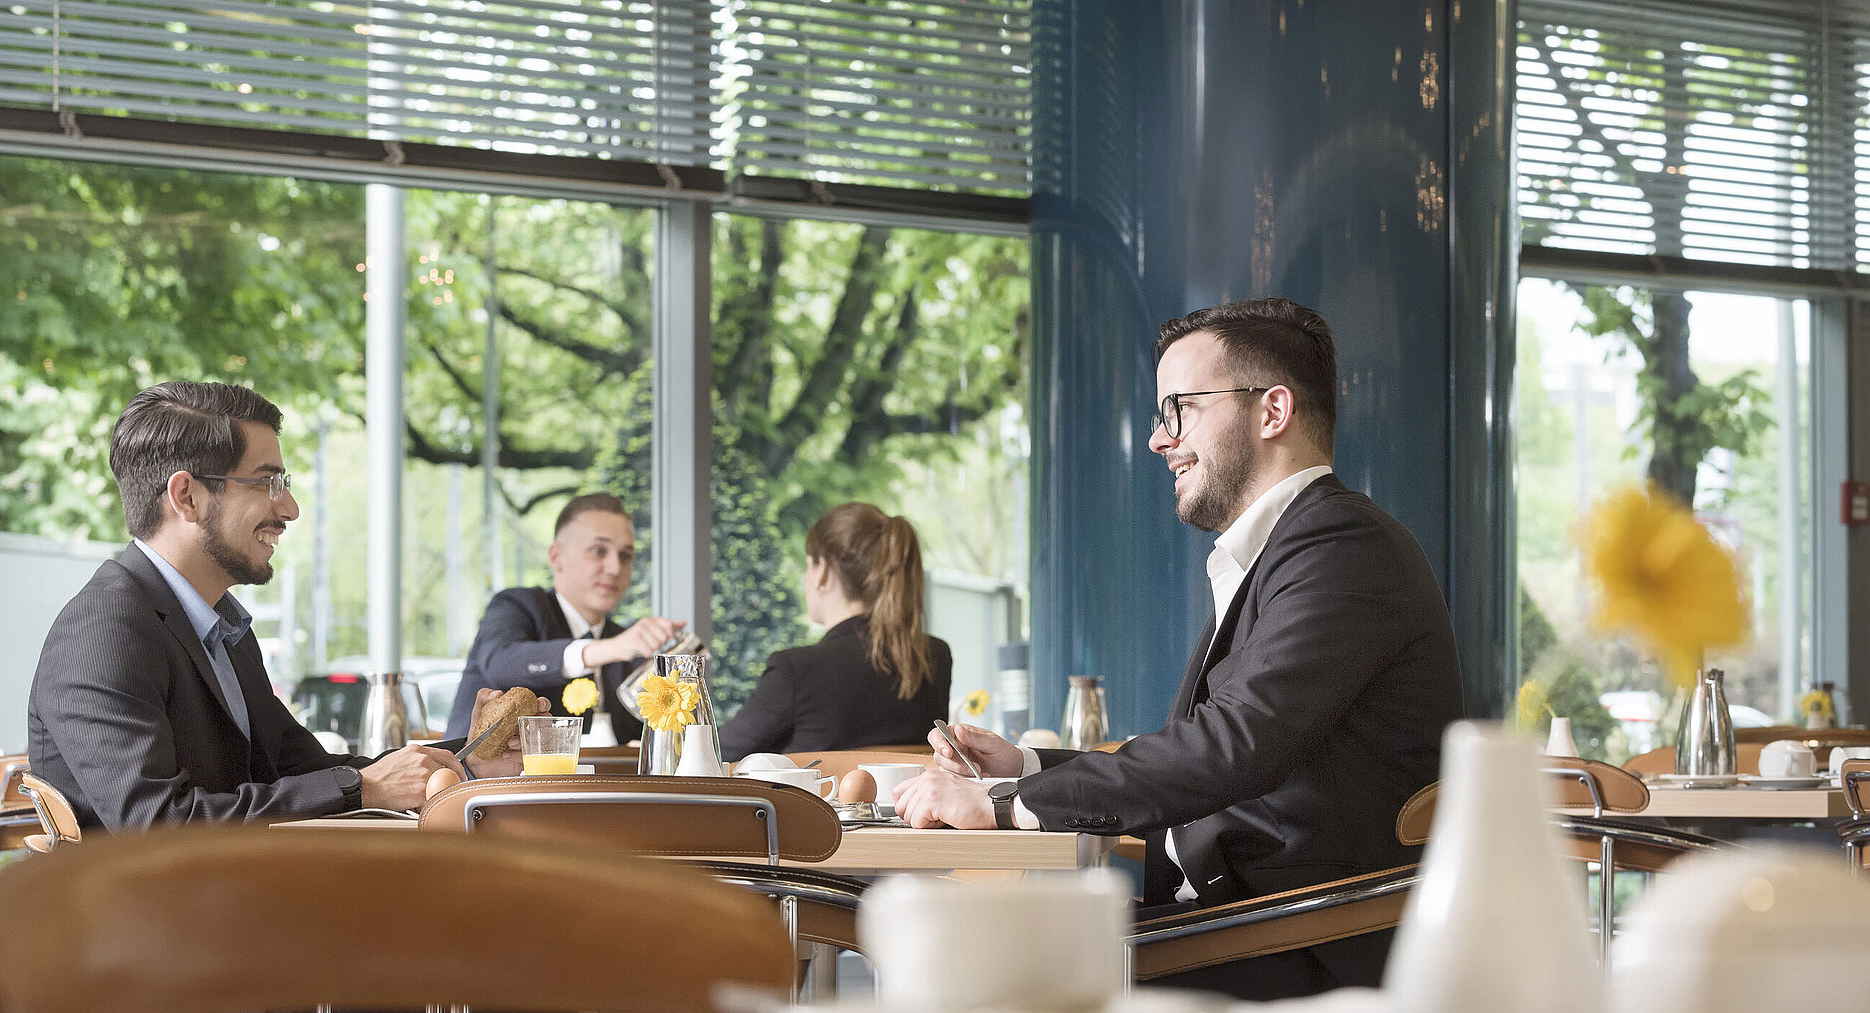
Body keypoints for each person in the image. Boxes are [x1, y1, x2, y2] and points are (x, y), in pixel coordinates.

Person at [894, 298, 1463, 1000]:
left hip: (1295, 935)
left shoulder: (1343, 548)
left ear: (1271, 411)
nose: (1161, 440)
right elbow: (1199, 748)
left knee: (968, 952)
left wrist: (1008, 802)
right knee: (960, 935)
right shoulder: (1292, 550)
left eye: (1179, 410)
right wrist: (1028, 764)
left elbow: (1232, 746)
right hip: (1240, 917)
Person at [28, 381, 513, 833]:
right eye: (266, 483)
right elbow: (158, 825)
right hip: (156, 922)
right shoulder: (103, 629)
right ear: (187, 497)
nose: (290, 509)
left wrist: (468, 758)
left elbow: (310, 774)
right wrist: (362, 789)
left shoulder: (222, 629)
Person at [718, 503, 952, 759]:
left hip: (819, 801)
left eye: (809, 565)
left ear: (823, 572)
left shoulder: (795, 670)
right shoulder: (933, 657)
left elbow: (713, 756)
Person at [446, 493, 683, 743]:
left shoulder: (625, 646)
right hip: (478, 780)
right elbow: (502, 663)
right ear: (556, 556)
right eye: (598, 551)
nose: (615, 568)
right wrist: (607, 649)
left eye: (625, 556)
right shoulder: (517, 606)